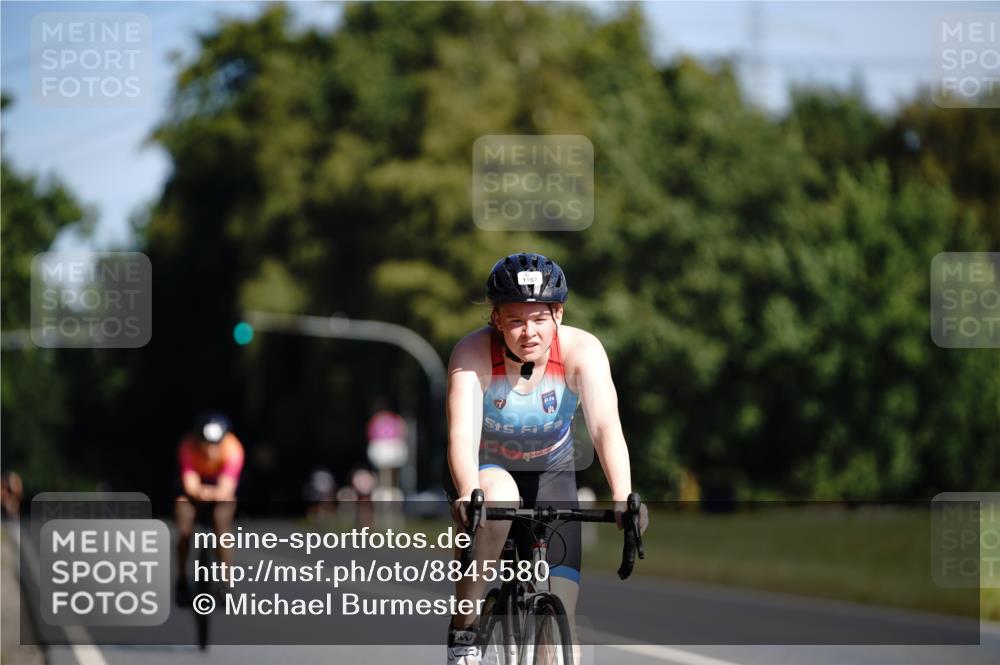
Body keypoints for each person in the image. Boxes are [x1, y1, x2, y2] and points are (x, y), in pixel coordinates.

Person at [444, 252, 649, 665]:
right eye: (516, 320)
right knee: (497, 497)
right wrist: (468, 491)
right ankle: (464, 632)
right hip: (485, 467)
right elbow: (462, 434)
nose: (529, 332)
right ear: (496, 319)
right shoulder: (472, 352)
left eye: (540, 318)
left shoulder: (582, 350)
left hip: (551, 470)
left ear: (558, 314)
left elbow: (605, 426)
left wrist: (623, 495)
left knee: (558, 627)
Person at [174, 413, 245, 604]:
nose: (210, 449)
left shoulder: (233, 448)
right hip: (193, 491)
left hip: (219, 488)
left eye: (215, 444)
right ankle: (182, 578)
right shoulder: (188, 446)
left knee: (221, 525)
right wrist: (199, 492)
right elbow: (190, 484)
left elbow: (227, 487)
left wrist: (214, 493)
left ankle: (227, 583)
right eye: (205, 443)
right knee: (184, 527)